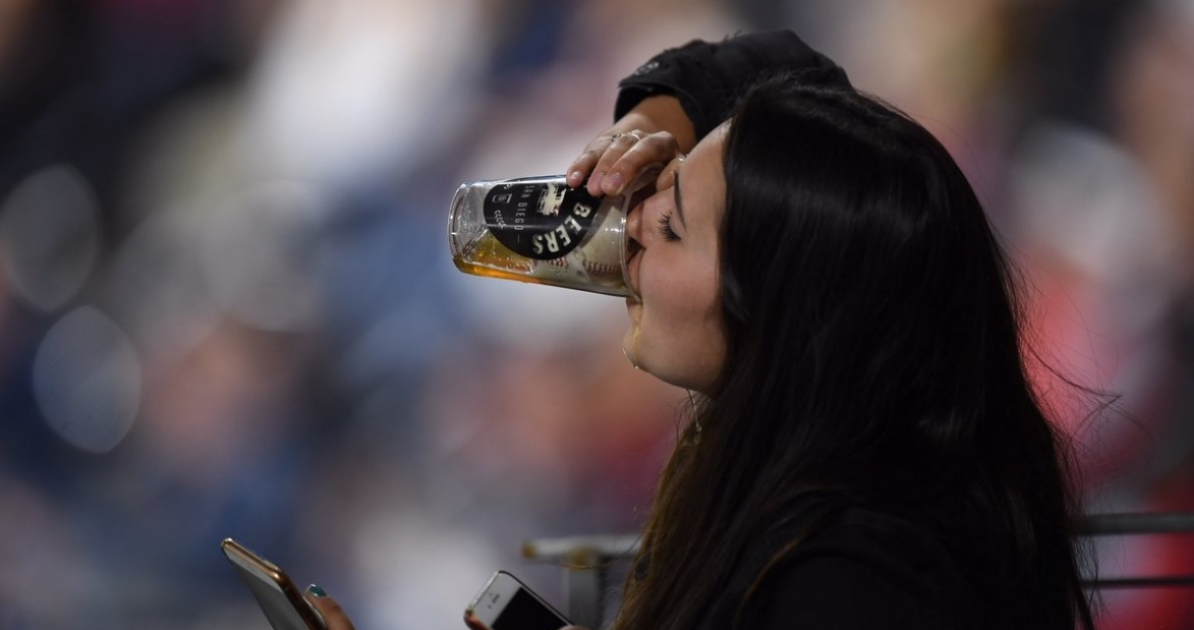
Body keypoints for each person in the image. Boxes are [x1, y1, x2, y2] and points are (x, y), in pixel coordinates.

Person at [307, 31, 1096, 630]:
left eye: (673, 222)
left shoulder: (846, 579)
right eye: (662, 183)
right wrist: (653, 124)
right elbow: (782, 83)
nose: (633, 223)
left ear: (778, 311)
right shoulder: (842, 480)